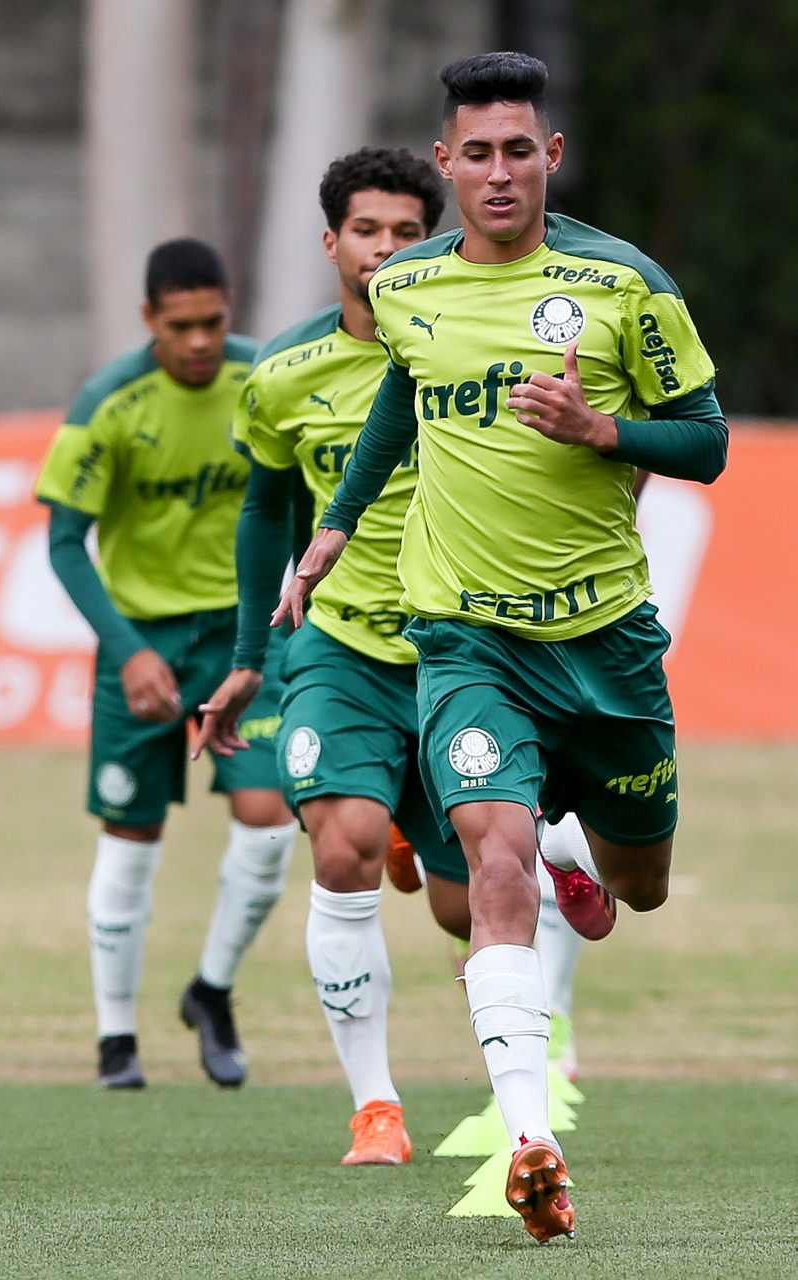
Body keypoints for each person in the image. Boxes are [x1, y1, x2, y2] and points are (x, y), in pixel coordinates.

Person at [271, 53, 727, 1242]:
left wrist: (602, 427)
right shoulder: (411, 288)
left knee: (640, 882)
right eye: (474, 151)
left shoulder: (622, 284)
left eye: (517, 149)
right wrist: (333, 529)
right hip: (465, 634)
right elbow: (399, 398)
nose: (497, 171)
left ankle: (584, 844)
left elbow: (706, 440)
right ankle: (532, 1137)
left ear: (548, 156)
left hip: (604, 640)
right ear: (446, 162)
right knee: (491, 864)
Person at [193, 146, 485, 1166]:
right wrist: (248, 656)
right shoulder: (282, 372)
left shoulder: (470, 348)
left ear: (430, 240)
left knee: (467, 904)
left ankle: (427, 834)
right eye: (367, 230)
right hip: (340, 648)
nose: (385, 249)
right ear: (331, 242)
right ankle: (376, 1109)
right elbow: (265, 509)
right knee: (339, 847)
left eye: (407, 231)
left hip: (459, 647)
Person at [35, 239, 299, 1090]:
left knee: (269, 819)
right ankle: (116, 1040)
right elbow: (65, 542)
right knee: (130, 835)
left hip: (245, 639)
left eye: (212, 322)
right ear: (149, 318)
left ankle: (210, 990)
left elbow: (305, 499)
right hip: (142, 645)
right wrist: (128, 652)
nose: (199, 341)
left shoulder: (266, 378)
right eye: (180, 325)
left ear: (229, 309)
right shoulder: (108, 402)